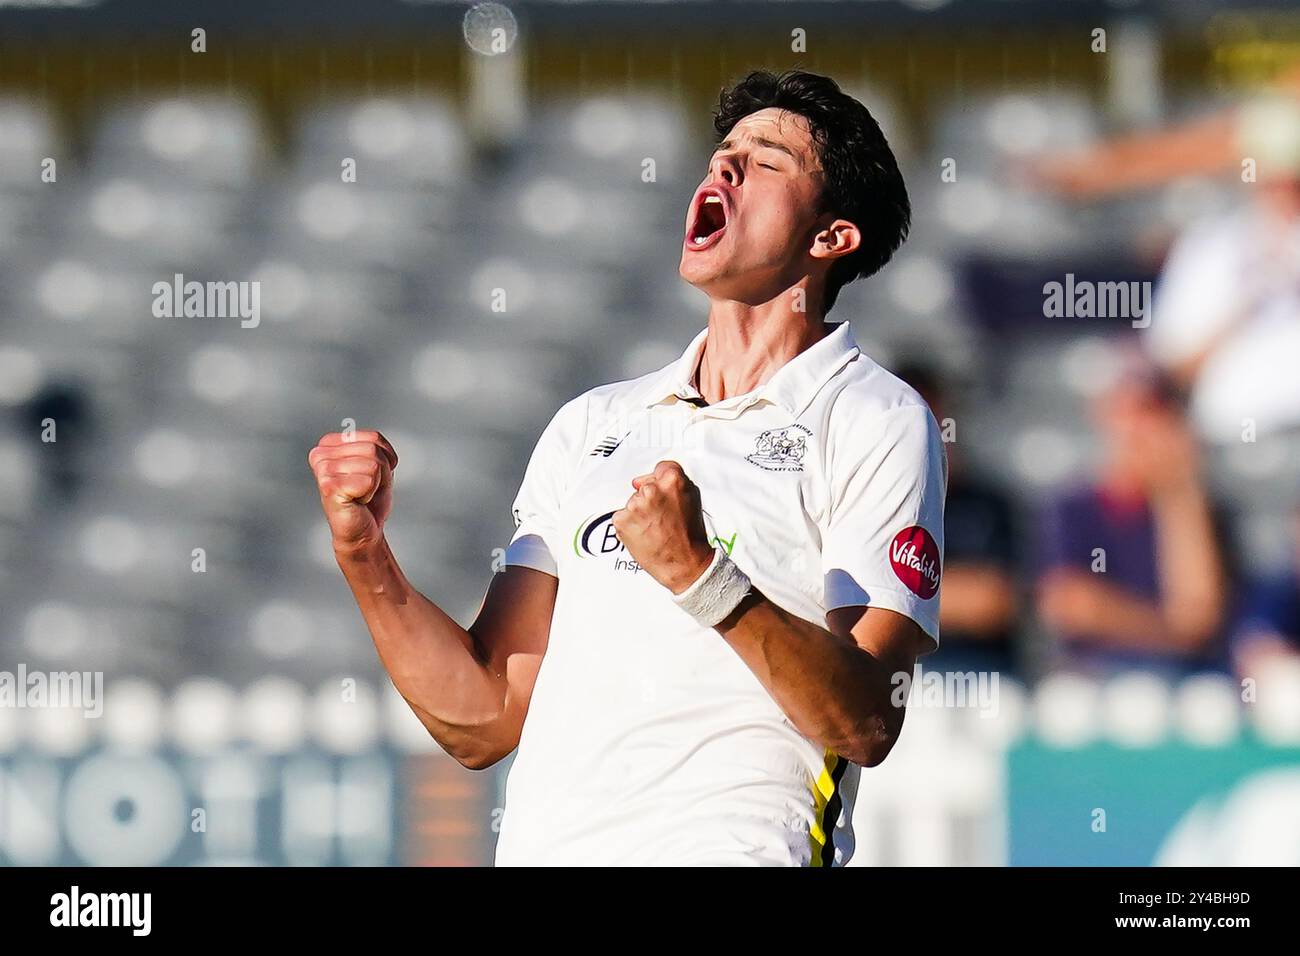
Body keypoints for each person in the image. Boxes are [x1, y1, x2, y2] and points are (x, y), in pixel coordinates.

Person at [308, 70, 946, 866]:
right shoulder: (593, 423)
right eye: (723, 153)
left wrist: (699, 574)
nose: (726, 168)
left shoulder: (875, 418)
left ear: (830, 237)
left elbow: (867, 721)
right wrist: (365, 555)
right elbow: (486, 714)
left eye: (768, 158)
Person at [1035, 359, 1229, 679]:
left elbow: (1200, 615)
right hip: (1095, 676)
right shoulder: (1074, 507)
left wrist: (1178, 495)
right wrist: (1173, 629)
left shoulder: (1193, 508)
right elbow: (1071, 605)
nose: (1140, 430)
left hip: (1182, 678)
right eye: (1130, 414)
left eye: (1153, 414)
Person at [896, 364, 1020, 678]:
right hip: (893, 677)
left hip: (977, 675)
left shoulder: (987, 504)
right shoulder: (864, 501)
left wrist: (894, 593)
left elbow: (992, 603)